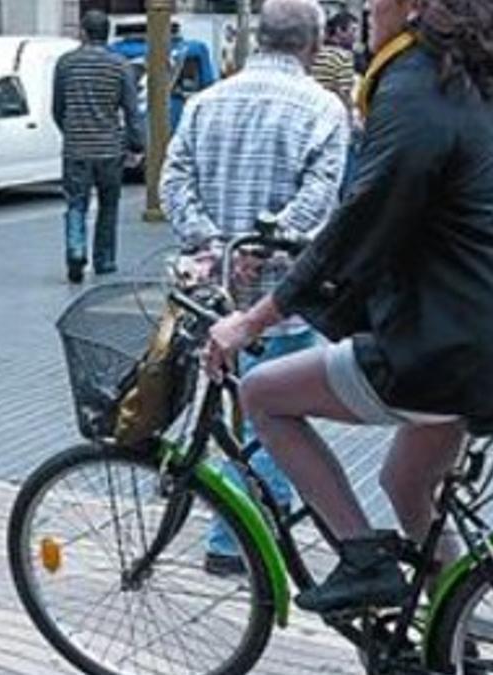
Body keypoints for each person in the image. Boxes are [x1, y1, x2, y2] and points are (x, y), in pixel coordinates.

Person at [204, 0, 493, 613]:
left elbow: (367, 213)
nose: (368, 6)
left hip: (449, 347)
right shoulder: (472, 76)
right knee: (406, 483)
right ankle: (457, 633)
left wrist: (253, 318)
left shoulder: (415, 85)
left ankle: (362, 560)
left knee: (262, 393)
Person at [160, 0, 350, 575]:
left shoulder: (206, 101)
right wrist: (263, 249)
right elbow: (320, 201)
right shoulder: (323, 108)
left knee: (230, 414)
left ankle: (253, 522)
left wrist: (216, 247)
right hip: (280, 302)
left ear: (257, 39)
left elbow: (173, 180)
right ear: (313, 46)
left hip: (212, 300)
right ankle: (239, 538)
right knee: (275, 420)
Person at [52, 10, 144, 284]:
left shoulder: (66, 64)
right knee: (108, 206)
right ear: (107, 33)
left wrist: (70, 131)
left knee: (75, 203)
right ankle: (104, 259)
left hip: (76, 148)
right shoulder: (120, 65)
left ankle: (76, 250)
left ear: (83, 31)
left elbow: (57, 108)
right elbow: (131, 111)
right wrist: (136, 144)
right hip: (109, 149)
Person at [312, 10, 360, 194]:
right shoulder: (344, 57)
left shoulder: (315, 54)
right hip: (335, 118)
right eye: (352, 30)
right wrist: (350, 123)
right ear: (339, 31)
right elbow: (344, 93)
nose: (356, 35)